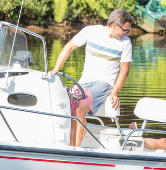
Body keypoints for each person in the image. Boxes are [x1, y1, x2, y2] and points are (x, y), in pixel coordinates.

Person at [45, 9, 134, 147]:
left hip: (104, 84)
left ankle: (75, 150)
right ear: (115, 25)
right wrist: (56, 69)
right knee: (67, 106)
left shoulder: (125, 42)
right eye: (126, 30)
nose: (127, 33)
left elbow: (125, 70)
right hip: (84, 81)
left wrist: (114, 92)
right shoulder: (91, 31)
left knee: (80, 108)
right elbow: (69, 47)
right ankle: (67, 146)